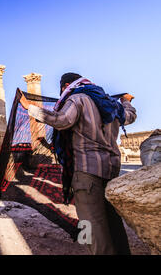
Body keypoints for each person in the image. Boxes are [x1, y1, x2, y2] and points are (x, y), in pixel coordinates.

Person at [19, 72, 136, 255]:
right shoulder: (110, 103)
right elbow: (129, 116)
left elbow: (61, 120)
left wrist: (30, 108)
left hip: (87, 174)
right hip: (112, 172)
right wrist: (126, 100)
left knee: (90, 227)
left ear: (66, 86)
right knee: (114, 224)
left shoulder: (78, 99)